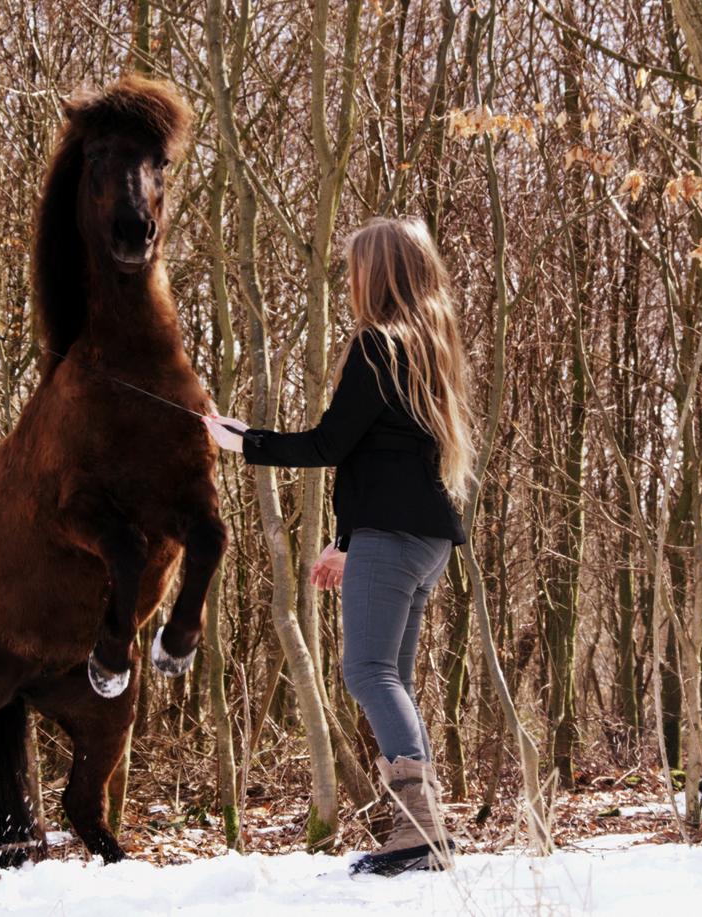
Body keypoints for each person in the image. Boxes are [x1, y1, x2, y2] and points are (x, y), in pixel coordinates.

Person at [204, 216, 475, 877]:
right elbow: (391, 457)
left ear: (376, 274)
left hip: (396, 537)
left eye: (355, 267)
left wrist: (246, 442)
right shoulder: (428, 344)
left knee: (368, 673)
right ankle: (419, 831)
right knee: (394, 677)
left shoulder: (377, 344)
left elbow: (330, 444)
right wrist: (350, 541)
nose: (349, 279)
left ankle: (419, 832)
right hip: (424, 537)